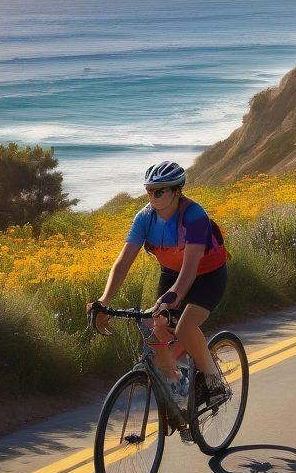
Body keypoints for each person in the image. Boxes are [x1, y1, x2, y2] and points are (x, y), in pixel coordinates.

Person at [87, 161, 229, 437]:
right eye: (149, 191)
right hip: (171, 274)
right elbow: (123, 263)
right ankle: (178, 385)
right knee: (156, 329)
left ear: (177, 191)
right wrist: (103, 301)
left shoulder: (194, 217)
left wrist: (171, 299)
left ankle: (214, 381)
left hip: (207, 276)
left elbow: (190, 271)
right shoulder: (145, 217)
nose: (153, 198)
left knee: (185, 325)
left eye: (160, 192)